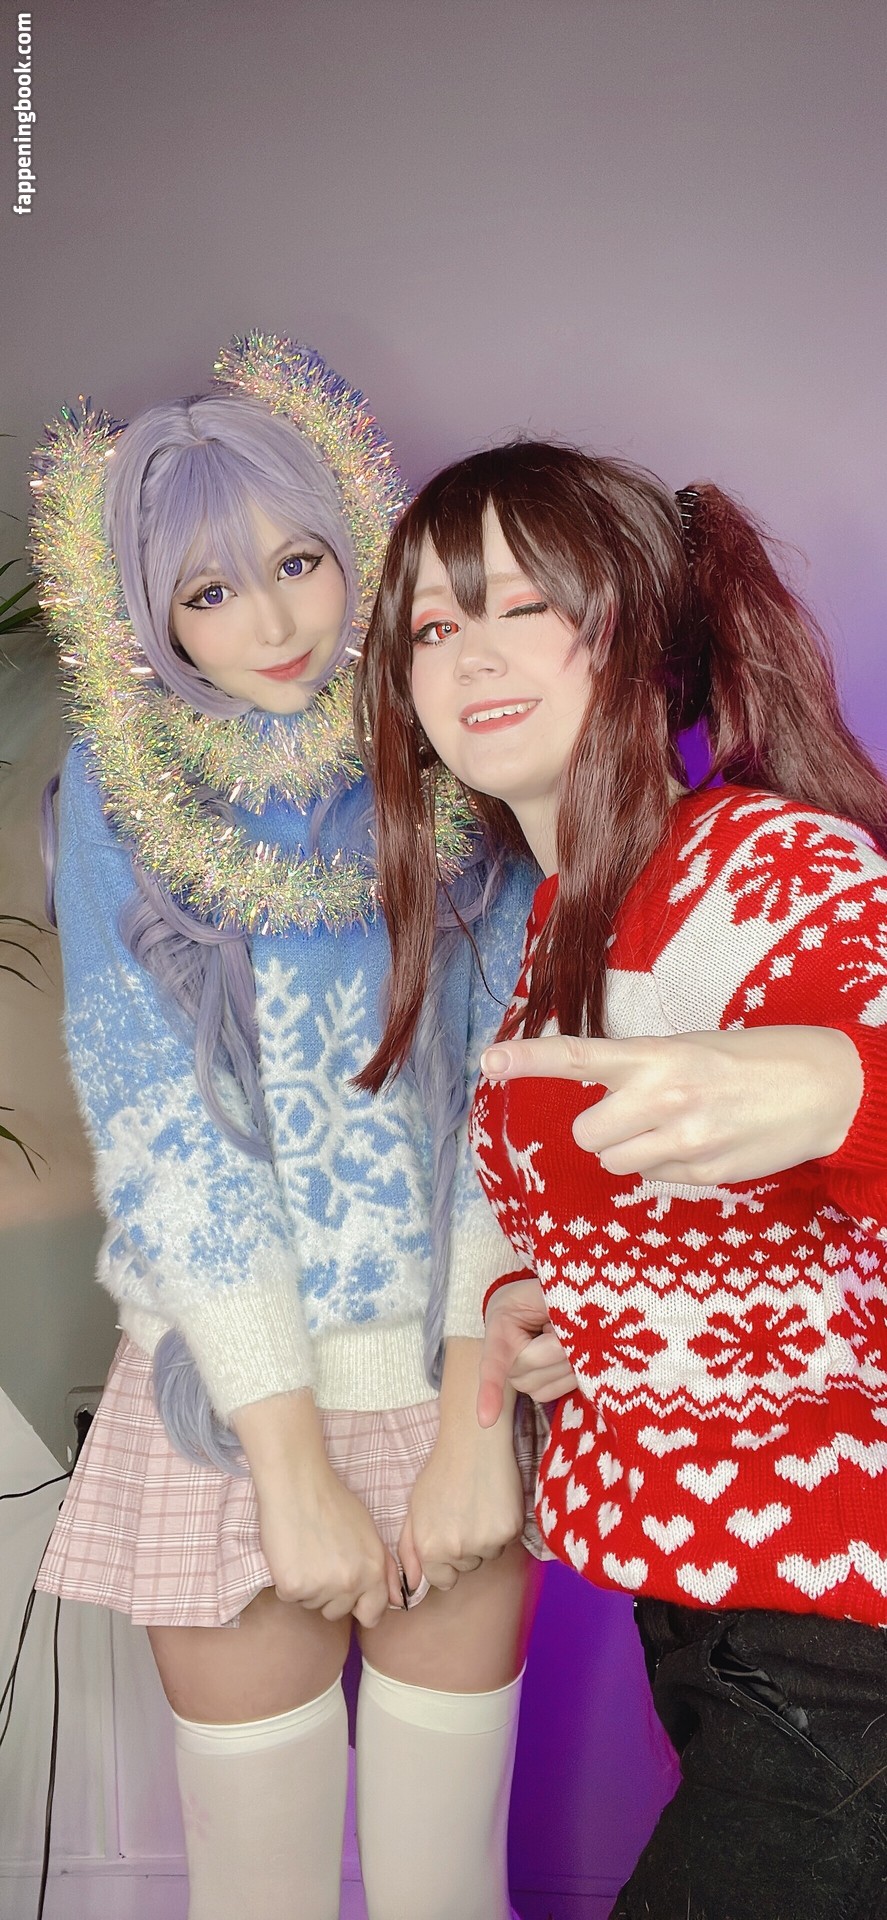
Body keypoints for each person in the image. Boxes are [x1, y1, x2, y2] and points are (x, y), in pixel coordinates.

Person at [30, 341, 543, 1920]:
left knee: (446, 1891)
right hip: (231, 1404)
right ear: (149, 618)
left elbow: (513, 1103)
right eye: (208, 593)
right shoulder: (116, 791)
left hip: (450, 1379)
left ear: (359, 547)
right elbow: (164, 1133)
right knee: (260, 1897)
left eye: (300, 563)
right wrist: (291, 1465)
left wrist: (473, 1430)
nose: (272, 625)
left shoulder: (461, 745)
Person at [355, 440, 887, 1919]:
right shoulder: (563, 926)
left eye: (526, 605)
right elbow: (689, 1243)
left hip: (844, 1639)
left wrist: (843, 1086)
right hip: (723, 1626)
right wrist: (551, 1313)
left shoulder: (769, 865)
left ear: (644, 635)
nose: (472, 655)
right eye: (433, 626)